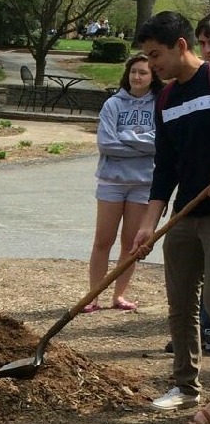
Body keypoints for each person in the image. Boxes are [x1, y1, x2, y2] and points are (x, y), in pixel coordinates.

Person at [131, 12, 210, 412]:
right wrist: (148, 225)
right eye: (147, 56)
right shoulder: (165, 99)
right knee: (181, 305)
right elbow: (164, 169)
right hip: (185, 216)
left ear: (181, 46)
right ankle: (185, 388)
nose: (151, 64)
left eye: (155, 55)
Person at [81, 55, 162, 313]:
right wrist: (141, 144)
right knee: (103, 240)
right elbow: (106, 144)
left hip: (142, 183)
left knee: (131, 244)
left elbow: (160, 142)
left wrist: (125, 137)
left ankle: (119, 296)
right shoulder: (113, 104)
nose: (137, 77)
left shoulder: (159, 104)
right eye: (133, 72)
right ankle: (93, 296)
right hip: (112, 182)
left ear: (153, 77)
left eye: (143, 73)